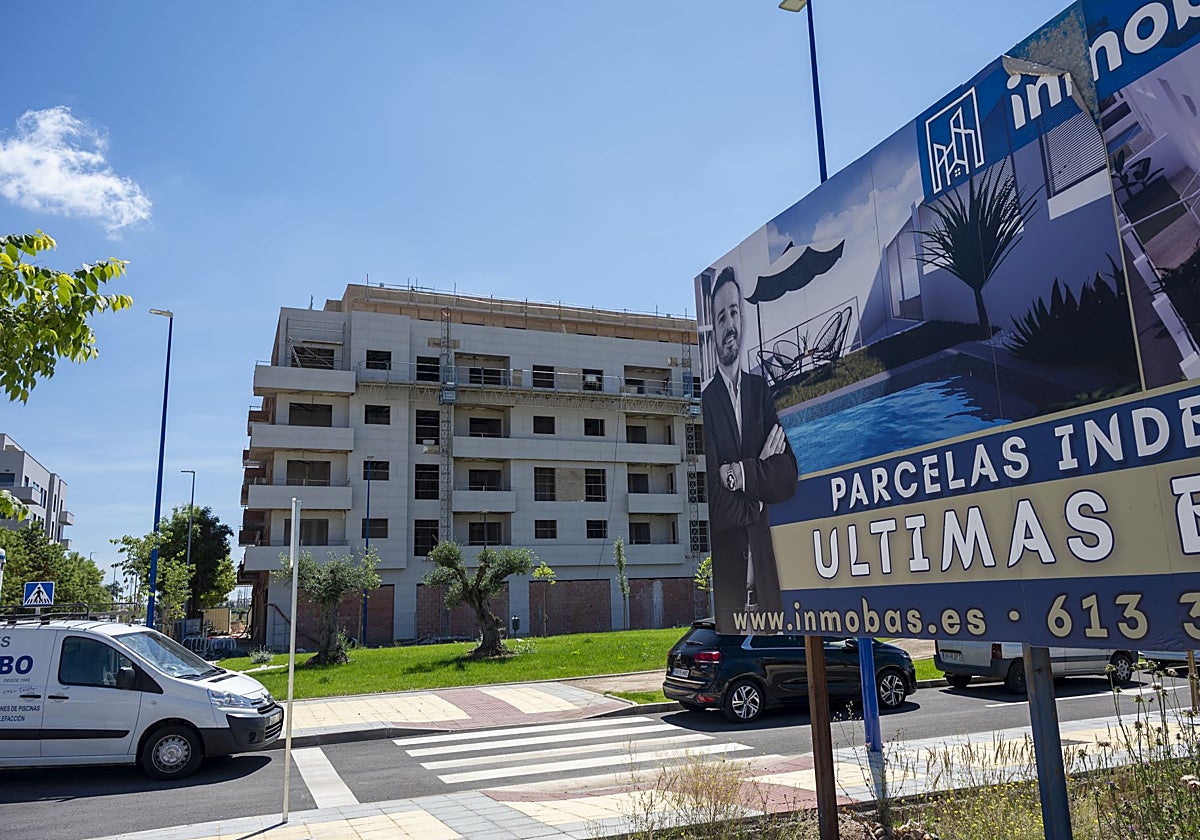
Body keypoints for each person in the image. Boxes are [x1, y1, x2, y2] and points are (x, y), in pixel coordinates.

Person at [702, 266, 798, 627]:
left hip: (769, 589)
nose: (730, 324)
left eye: (734, 312)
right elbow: (714, 499)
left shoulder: (760, 391)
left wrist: (740, 473)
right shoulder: (706, 402)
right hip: (731, 592)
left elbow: (788, 475)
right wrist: (759, 494)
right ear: (713, 330)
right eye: (721, 316)